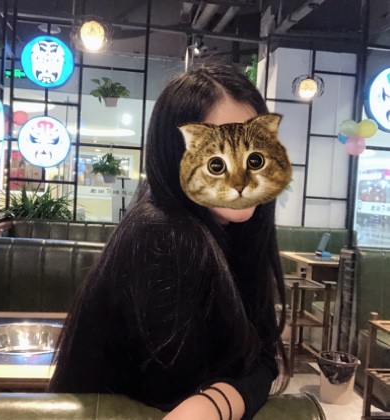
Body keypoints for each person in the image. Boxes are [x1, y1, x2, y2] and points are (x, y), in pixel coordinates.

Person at [49, 63, 290, 419]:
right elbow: (176, 397)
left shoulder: (238, 232)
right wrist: (225, 396)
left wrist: (218, 401)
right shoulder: (164, 235)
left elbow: (264, 361)